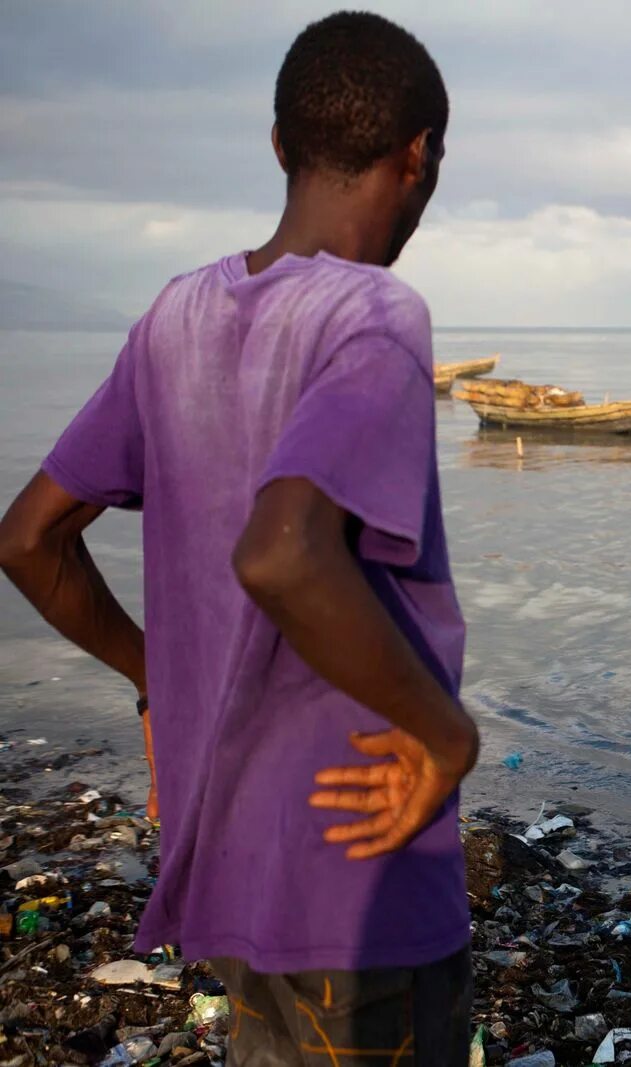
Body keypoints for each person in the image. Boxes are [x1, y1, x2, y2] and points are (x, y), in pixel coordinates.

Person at [0, 13, 478, 1064]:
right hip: (364, 862)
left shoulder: (174, 315)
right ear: (418, 157)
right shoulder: (375, 315)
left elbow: (31, 537)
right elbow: (282, 552)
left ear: (278, 144)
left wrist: (158, 679)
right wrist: (446, 735)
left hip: (230, 859)